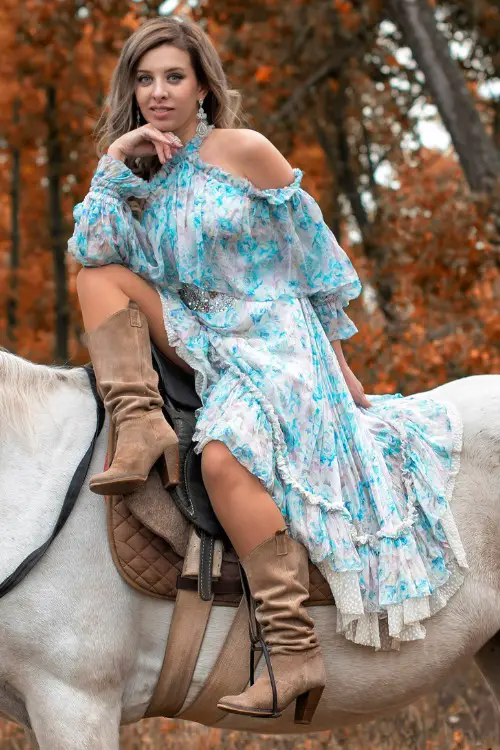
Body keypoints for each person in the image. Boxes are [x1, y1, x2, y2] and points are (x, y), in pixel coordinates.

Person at [68, 16, 467, 723]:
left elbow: (314, 267)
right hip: (200, 333)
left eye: (174, 77)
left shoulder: (243, 151)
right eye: (145, 78)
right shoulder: (140, 177)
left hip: (274, 338)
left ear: (202, 88)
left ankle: (291, 652)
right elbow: (90, 249)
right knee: (95, 275)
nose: (158, 92)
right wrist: (115, 164)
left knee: (223, 460)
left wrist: (340, 370)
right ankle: (140, 429)